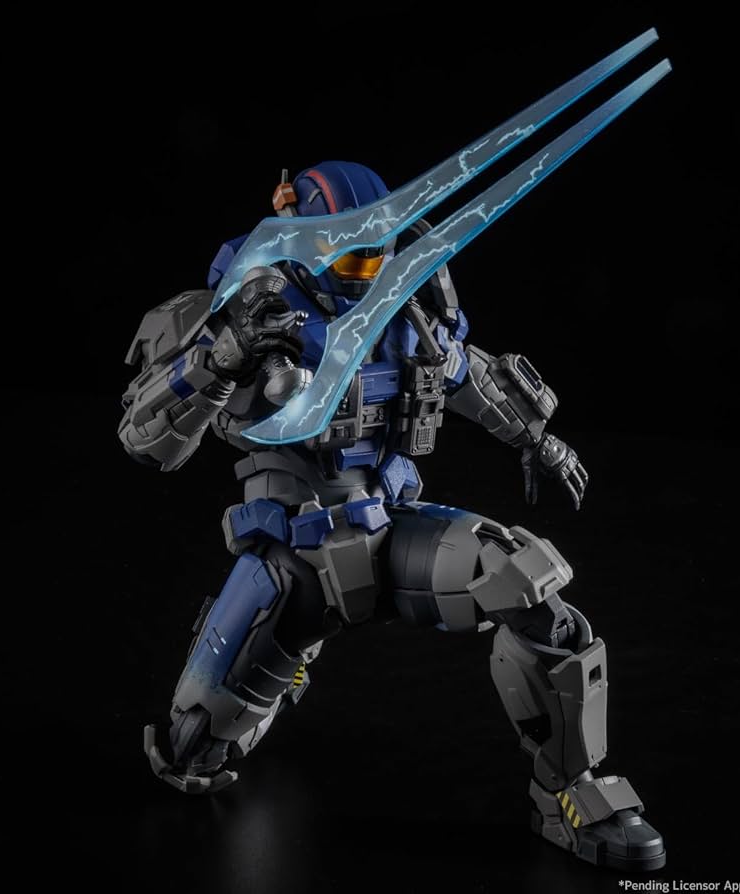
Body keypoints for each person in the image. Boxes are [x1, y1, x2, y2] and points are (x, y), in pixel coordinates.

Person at [119, 161, 666, 871]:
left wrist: (538, 439)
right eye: (348, 254)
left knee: (529, 587)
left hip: (390, 534)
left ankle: (571, 791)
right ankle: (279, 665)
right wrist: (219, 359)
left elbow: (470, 374)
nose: (362, 271)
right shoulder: (233, 313)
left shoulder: (404, 311)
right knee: (192, 752)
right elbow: (144, 439)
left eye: (374, 253)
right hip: (294, 563)